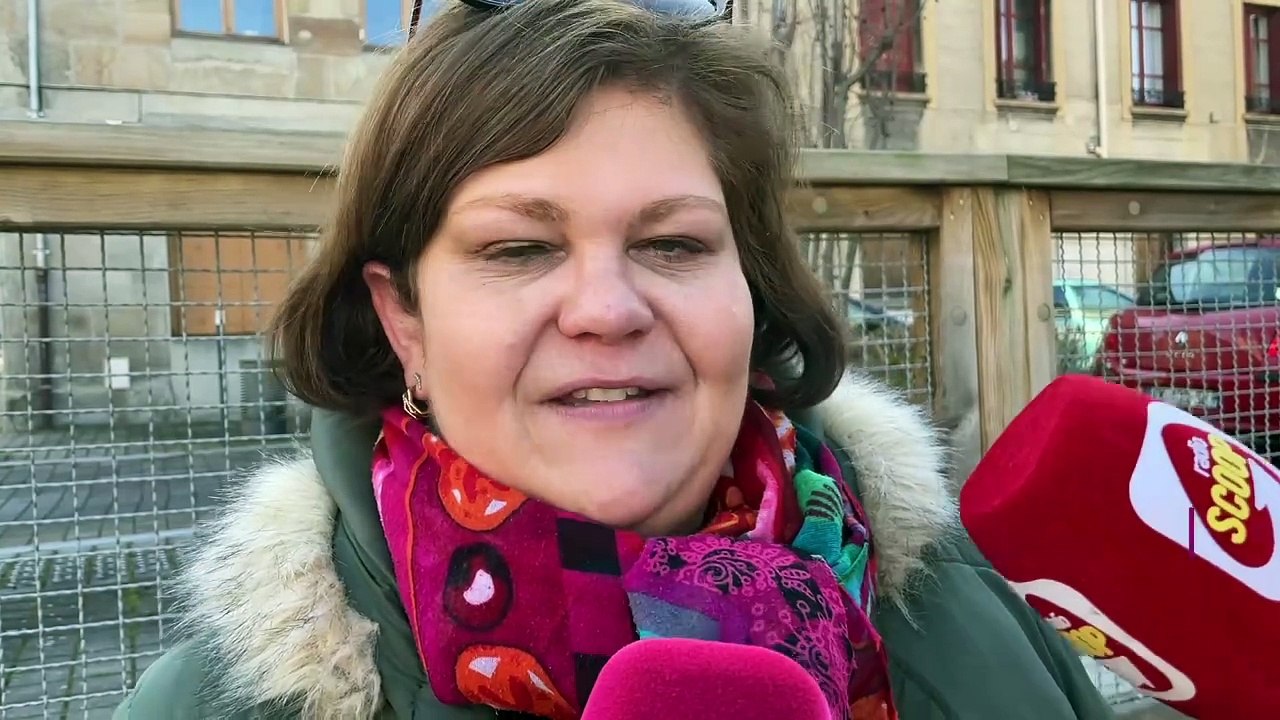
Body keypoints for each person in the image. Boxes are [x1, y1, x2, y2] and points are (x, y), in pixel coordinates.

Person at [114, 1, 1116, 718]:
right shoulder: (216, 703)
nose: (605, 309)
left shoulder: (962, 602)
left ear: (751, 287)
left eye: (671, 244)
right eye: (518, 248)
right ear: (403, 325)